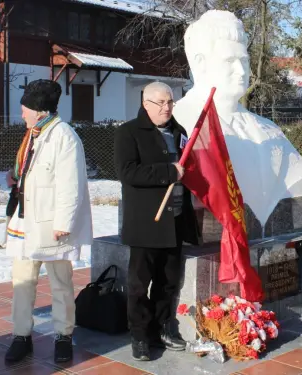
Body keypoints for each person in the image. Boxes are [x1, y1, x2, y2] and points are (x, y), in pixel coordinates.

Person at [173, 10, 302, 227]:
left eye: (244, 60)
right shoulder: (180, 122)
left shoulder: (269, 129)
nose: (241, 71)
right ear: (200, 62)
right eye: (230, 60)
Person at [4, 79, 93, 364]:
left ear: (40, 111)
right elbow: (30, 167)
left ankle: (63, 336)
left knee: (60, 283)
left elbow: (72, 185)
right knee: (23, 280)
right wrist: (15, 175)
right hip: (25, 220)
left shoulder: (64, 136)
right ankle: (21, 336)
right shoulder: (34, 133)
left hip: (53, 225)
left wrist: (63, 223)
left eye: (25, 110)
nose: (22, 115)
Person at [114, 82, 200, 361]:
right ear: (145, 103)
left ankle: (162, 327)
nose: (166, 108)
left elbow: (188, 169)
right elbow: (128, 173)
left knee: (169, 281)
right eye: (160, 103)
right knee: (139, 283)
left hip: (174, 219)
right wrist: (168, 172)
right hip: (146, 222)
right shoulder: (128, 132)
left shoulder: (180, 132)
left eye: (170, 102)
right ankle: (139, 335)